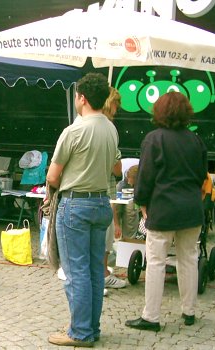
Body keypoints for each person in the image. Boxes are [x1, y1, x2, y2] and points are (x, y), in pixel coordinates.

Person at [46, 73, 118, 347]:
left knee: (76, 272)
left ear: (82, 98)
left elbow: (53, 177)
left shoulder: (73, 131)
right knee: (94, 271)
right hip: (101, 202)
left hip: (75, 204)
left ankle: (80, 332)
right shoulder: (111, 128)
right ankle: (91, 327)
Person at [126, 91, 207, 331]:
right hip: (191, 208)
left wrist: (141, 202)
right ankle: (189, 311)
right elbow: (202, 175)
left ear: (159, 111)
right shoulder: (196, 140)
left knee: (156, 262)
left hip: (162, 209)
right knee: (189, 260)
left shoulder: (154, 139)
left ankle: (151, 317)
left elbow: (146, 176)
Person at [102, 87, 127, 294]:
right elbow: (116, 168)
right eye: (116, 104)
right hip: (104, 190)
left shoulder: (80, 123)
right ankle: (103, 275)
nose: (117, 110)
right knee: (105, 235)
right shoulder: (108, 127)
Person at [114, 164, 139, 238]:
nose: (129, 182)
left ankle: (129, 238)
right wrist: (116, 225)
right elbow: (113, 207)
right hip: (120, 192)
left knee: (131, 208)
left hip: (133, 200)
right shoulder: (120, 185)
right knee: (118, 207)